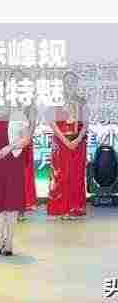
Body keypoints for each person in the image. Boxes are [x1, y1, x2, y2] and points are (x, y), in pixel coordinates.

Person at [0, 100, 30, 256]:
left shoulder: (19, 115)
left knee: (11, 203)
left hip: (13, 163)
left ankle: (9, 242)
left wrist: (11, 147)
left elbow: (26, 139)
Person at [47, 71, 88, 220]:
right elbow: (52, 123)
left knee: (76, 175)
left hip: (78, 143)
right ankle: (60, 209)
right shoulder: (56, 100)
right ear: (63, 84)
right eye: (67, 81)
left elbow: (86, 123)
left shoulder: (82, 101)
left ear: (76, 83)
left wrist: (77, 140)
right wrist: (65, 141)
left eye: (72, 81)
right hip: (60, 142)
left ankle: (74, 208)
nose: (69, 83)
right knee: (60, 175)